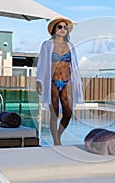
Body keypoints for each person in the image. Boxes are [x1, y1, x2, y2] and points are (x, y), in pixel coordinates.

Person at [36, 17, 83, 145]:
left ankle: (58, 135)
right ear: (54, 30)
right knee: (54, 113)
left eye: (65, 27)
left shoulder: (70, 46)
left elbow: (75, 65)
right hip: (52, 81)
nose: (63, 29)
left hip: (67, 81)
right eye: (60, 27)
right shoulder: (47, 45)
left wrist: (78, 82)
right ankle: (57, 141)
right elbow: (41, 64)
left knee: (68, 113)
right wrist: (39, 80)